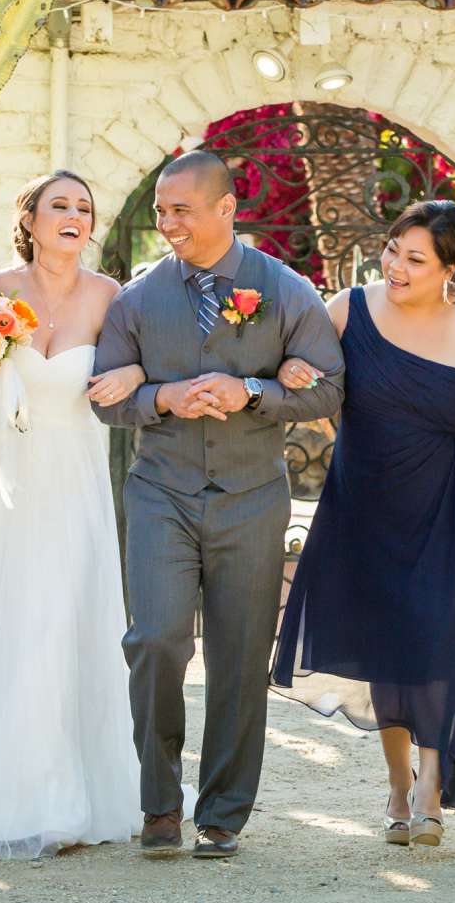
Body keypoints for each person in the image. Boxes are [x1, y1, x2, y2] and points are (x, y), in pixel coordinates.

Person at [93, 150, 345, 860]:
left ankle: (224, 813)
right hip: (160, 494)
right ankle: (158, 805)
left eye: (181, 210)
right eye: (160, 211)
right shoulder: (136, 298)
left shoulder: (286, 290)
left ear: (225, 209)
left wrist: (256, 393)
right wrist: (158, 398)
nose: (166, 224)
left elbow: (329, 389)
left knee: (239, 657)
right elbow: (104, 400)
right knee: (157, 639)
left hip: (251, 498)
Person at [270, 200, 455, 842]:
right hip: (365, 503)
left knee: (438, 640)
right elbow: (313, 387)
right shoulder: (348, 308)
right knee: (387, 649)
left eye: (415, 258)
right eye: (392, 251)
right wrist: (295, 373)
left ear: (452, 267)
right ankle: (399, 783)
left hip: (447, 506)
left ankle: (432, 787)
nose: (396, 267)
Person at [0, 171, 150, 859]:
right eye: (60, 205)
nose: (75, 217)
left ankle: (67, 798)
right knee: (10, 621)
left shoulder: (113, 297)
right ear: (28, 218)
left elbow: (148, 362)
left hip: (74, 477)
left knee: (65, 621)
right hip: (5, 478)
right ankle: (8, 795)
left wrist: (137, 376)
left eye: (85, 208)